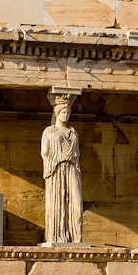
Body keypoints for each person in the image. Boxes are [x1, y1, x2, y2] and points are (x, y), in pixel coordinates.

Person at [41, 97, 83, 243]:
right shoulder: (49, 131)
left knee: (75, 201)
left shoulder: (73, 132)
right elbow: (44, 152)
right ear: (57, 113)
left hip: (72, 167)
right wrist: (50, 167)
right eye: (63, 111)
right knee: (57, 202)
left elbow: (77, 152)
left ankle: (75, 236)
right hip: (56, 168)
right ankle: (57, 236)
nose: (66, 114)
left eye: (67, 112)